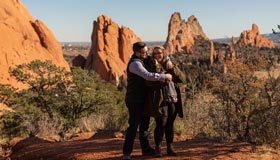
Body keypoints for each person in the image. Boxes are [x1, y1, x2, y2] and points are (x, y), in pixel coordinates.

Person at [122, 42, 173, 160]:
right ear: (136, 52)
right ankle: (127, 153)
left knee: (144, 126)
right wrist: (164, 77)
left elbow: (158, 56)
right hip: (134, 100)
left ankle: (146, 149)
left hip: (143, 99)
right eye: (143, 52)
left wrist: (168, 59)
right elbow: (147, 75)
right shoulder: (135, 64)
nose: (146, 54)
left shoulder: (142, 58)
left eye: (146, 51)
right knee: (134, 126)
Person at [145, 46, 185, 157]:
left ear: (164, 53)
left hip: (173, 98)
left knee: (170, 124)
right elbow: (149, 83)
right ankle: (158, 148)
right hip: (160, 100)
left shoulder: (170, 64)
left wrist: (172, 68)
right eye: (155, 53)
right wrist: (164, 78)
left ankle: (170, 148)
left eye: (160, 53)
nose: (158, 55)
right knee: (161, 123)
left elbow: (182, 79)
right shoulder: (151, 65)